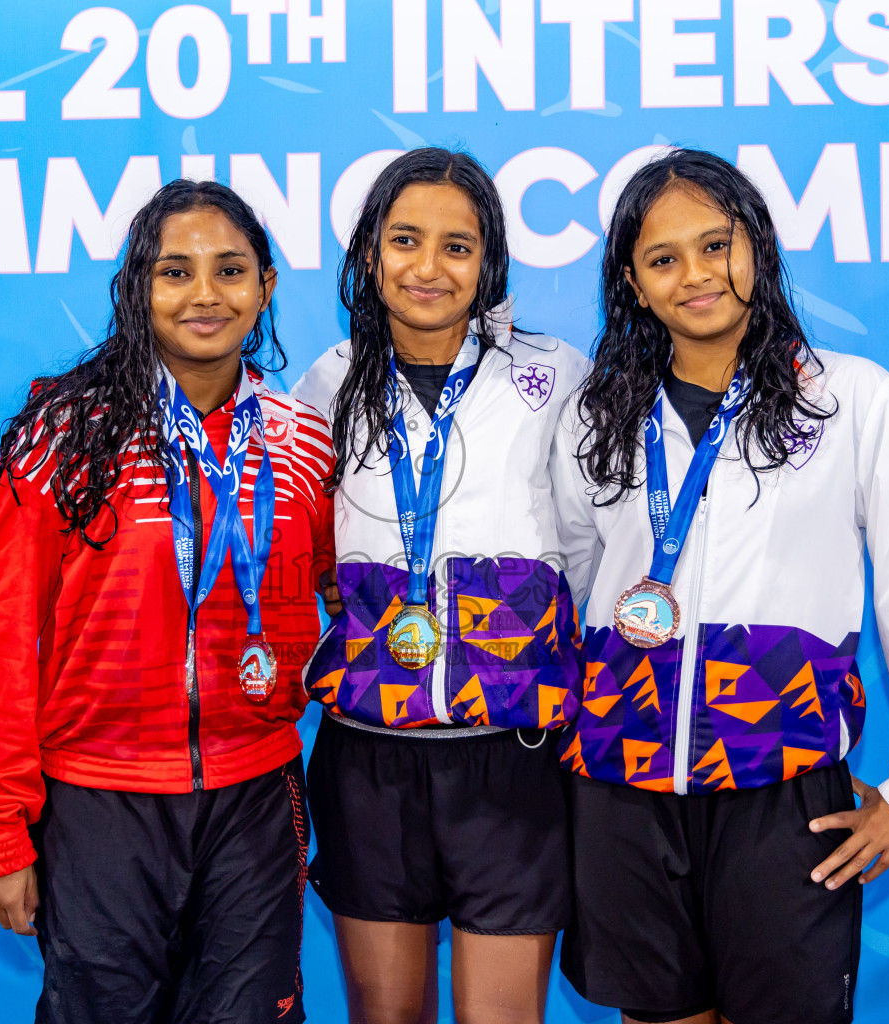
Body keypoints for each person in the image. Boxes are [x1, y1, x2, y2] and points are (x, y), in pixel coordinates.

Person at [551, 148, 889, 1024]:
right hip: (622, 796)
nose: (696, 275)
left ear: (760, 250)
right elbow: (572, 584)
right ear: (631, 282)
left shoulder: (853, 401)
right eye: (663, 259)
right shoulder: (598, 416)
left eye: (717, 245)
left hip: (780, 791)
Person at [0, 179, 335, 1024]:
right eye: (175, 272)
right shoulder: (67, 432)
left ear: (265, 287)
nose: (206, 293)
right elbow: (1, 637)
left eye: (230, 270)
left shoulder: (303, 440)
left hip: (256, 799)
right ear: (138, 289)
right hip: (101, 801)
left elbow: (343, 593)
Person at [292, 147, 589, 1024]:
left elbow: (590, 546)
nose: (429, 267)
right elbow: (306, 561)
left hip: (515, 759)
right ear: (369, 252)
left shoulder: (556, 376)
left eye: (457, 246)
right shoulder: (324, 384)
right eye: (405, 240)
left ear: (490, 262)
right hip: (367, 760)